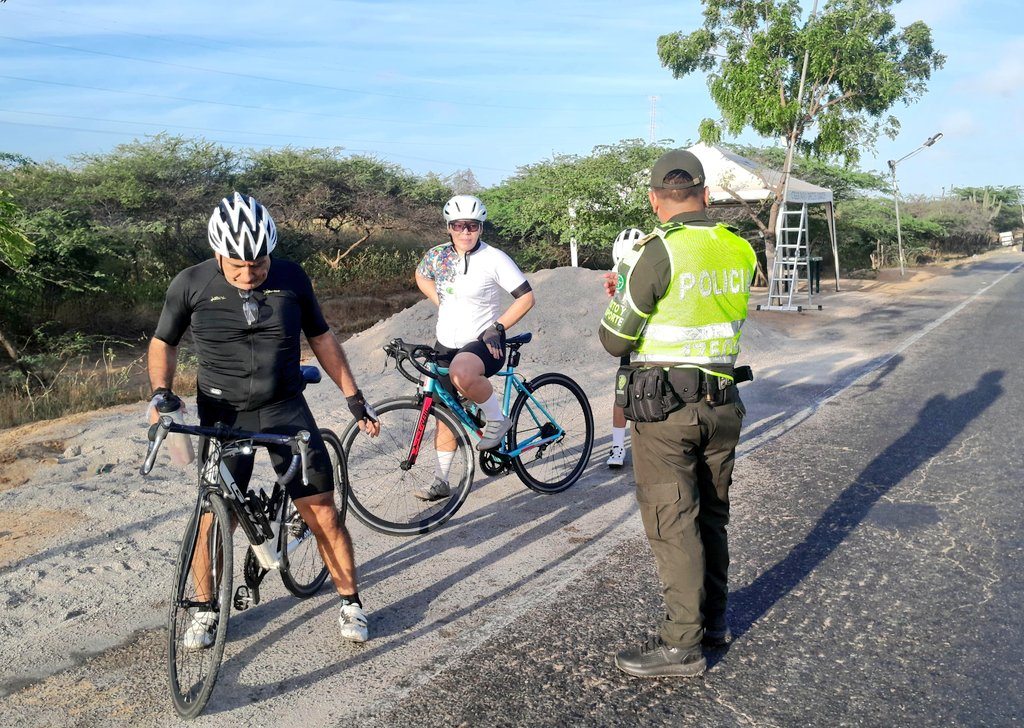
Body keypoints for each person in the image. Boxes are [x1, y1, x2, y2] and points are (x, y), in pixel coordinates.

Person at [147, 192, 380, 647]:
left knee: (322, 512)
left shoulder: (292, 277)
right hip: (223, 416)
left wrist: (354, 396)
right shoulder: (191, 283)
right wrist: (161, 391)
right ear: (218, 252)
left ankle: (350, 601)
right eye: (237, 266)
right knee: (213, 518)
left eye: (258, 264)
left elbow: (322, 337)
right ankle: (205, 609)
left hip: (284, 409)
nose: (248, 274)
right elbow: (163, 342)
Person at [599, 150, 756, 678]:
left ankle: (681, 644)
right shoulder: (739, 247)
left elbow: (614, 339)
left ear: (654, 199)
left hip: (667, 412)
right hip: (724, 403)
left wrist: (623, 290)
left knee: (673, 521)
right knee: (712, 514)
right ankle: (714, 623)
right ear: (705, 194)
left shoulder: (656, 250)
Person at [414, 194, 535, 500]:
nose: (466, 231)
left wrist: (498, 327)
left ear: (481, 227)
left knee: (461, 373)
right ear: (449, 227)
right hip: (445, 343)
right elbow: (421, 275)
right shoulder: (437, 256)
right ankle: (441, 480)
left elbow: (526, 298)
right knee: (444, 410)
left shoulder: (494, 258)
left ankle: (497, 419)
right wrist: (441, 302)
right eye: (459, 225)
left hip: (484, 344)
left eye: (473, 226)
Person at [606, 227, 644, 469]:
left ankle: (649, 445)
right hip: (631, 342)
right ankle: (618, 446)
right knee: (622, 394)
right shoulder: (617, 272)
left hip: (654, 344)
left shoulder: (655, 270)